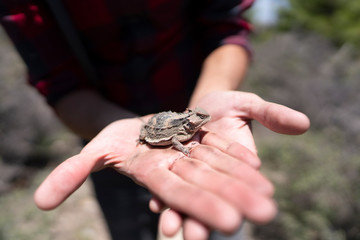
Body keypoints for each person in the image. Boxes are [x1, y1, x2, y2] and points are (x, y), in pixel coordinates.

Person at [0, 1, 310, 240]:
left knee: (218, 220)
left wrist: (208, 99)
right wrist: (152, 138)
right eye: (199, 120)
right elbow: (59, 83)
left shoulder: (192, 122)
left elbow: (227, 29)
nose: (202, 122)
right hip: (107, 134)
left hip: (188, 91)